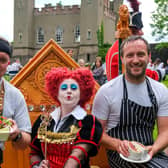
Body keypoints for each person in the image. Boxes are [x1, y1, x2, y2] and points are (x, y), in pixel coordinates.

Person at [92, 36, 168, 167]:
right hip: (120, 156)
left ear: (149, 57)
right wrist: (118, 144)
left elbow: (165, 131)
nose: (136, 60)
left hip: (149, 153)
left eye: (141, 55)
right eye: (130, 55)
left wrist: (154, 148)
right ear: (122, 59)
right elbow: (96, 132)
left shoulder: (160, 90)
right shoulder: (107, 91)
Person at [30, 67, 102, 168]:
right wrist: (37, 166)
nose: (69, 91)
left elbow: (78, 155)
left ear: (81, 93)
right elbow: (35, 152)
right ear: (56, 92)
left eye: (74, 88)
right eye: (64, 88)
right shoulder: (42, 121)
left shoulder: (88, 121)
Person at [106, 0, 160, 82]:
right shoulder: (122, 49)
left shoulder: (116, 47)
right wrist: (158, 73)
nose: (141, 33)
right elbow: (140, 75)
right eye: (135, 31)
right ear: (126, 30)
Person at [0, 37, 31, 165]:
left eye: (2, 60)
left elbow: (25, 141)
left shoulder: (14, 95)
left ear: (8, 64)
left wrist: (17, 135)